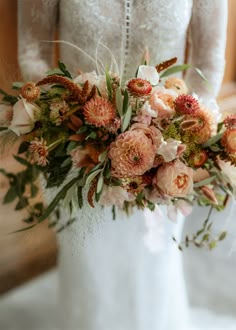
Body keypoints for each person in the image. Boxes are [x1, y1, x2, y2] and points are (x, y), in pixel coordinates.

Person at [17, 1, 227, 329]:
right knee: (89, 268)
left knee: (151, 263)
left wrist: (175, 135)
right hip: (77, 154)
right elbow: (32, 49)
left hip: (164, 159)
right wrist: (65, 118)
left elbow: (209, 61)